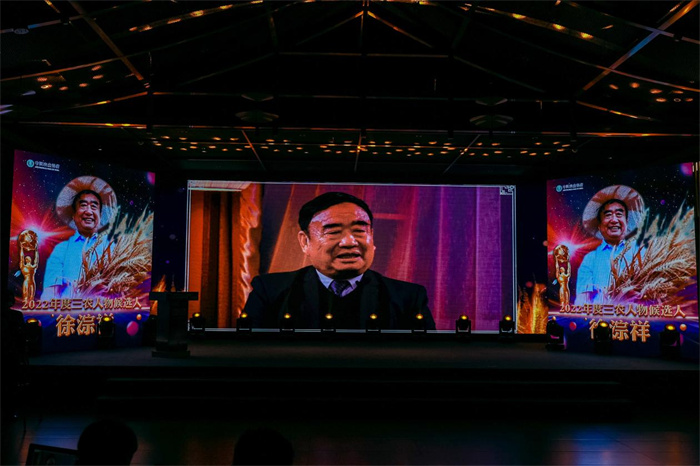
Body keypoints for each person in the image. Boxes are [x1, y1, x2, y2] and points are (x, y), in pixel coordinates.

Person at [242, 191, 435, 330]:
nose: (349, 242)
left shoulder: (409, 297)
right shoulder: (270, 291)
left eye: (360, 231)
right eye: (333, 231)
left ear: (372, 237)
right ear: (305, 242)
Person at [41, 176, 117, 300]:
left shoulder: (112, 249)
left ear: (100, 215)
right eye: (83, 205)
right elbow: (49, 295)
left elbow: (122, 291)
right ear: (74, 215)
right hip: (69, 311)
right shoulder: (61, 250)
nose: (89, 211)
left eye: (94, 207)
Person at [575, 185, 645, 305]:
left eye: (619, 214)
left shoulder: (642, 254)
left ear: (627, 222)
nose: (614, 220)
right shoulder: (590, 259)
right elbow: (582, 302)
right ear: (599, 226)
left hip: (635, 316)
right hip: (600, 316)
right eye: (608, 215)